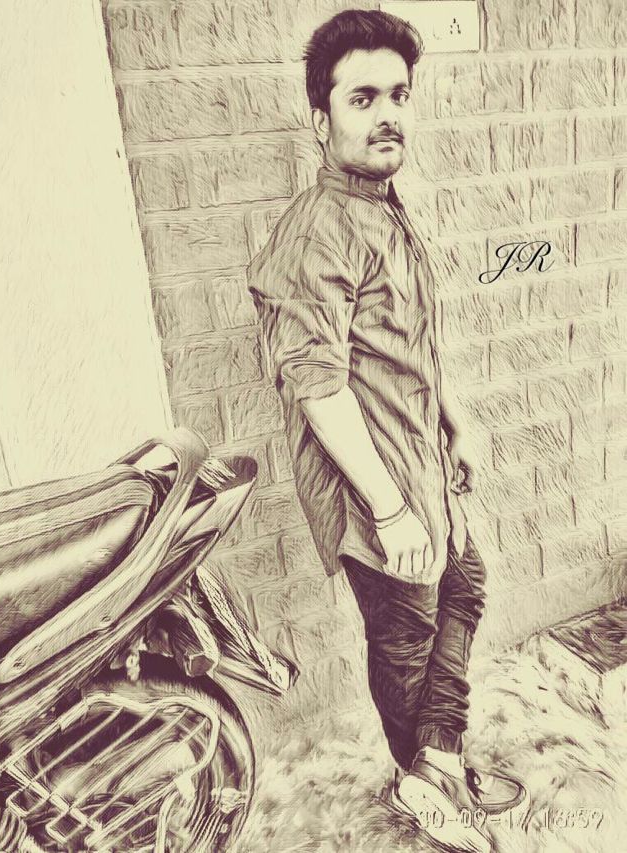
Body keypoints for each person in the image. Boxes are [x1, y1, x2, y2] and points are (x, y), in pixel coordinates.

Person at [246, 9, 528, 852]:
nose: (387, 115)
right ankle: (419, 778)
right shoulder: (317, 231)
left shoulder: (384, 207)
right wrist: (392, 508)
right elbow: (317, 383)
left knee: (463, 586)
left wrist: (454, 421)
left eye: (398, 95)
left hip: (420, 459)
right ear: (320, 119)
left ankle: (439, 758)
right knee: (405, 633)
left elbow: (407, 345)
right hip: (373, 485)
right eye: (362, 98)